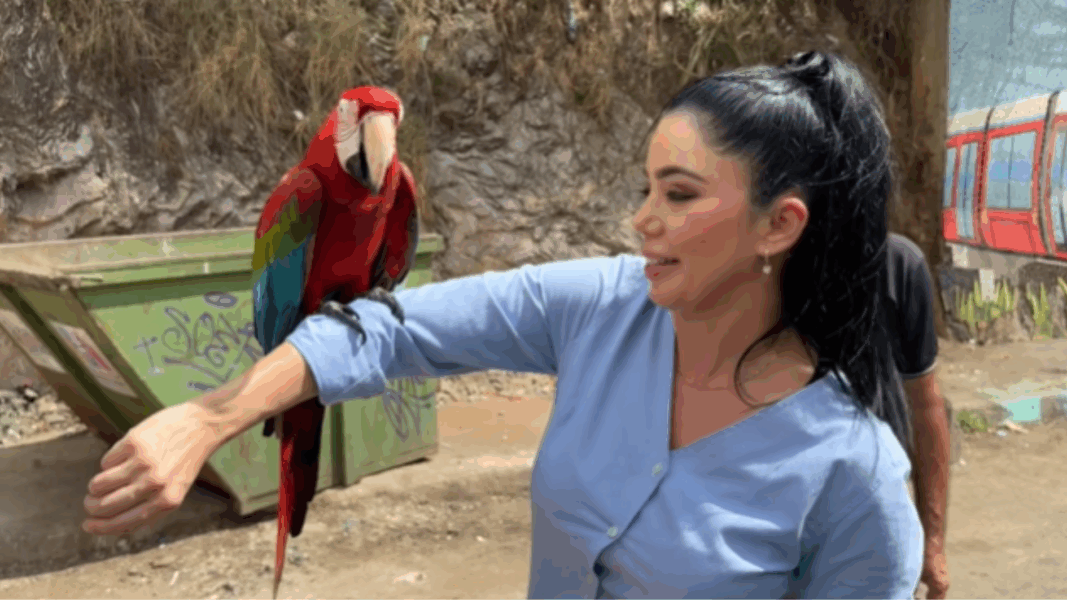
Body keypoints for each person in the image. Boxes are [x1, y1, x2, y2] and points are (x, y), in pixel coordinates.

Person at [81, 50, 923, 598]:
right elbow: (391, 329)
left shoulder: (854, 474)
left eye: (678, 194)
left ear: (779, 226)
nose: (641, 221)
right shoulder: (598, 305)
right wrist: (209, 416)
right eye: (644, 189)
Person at [886, 232, 952, 599]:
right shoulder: (765, 268)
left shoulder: (897, 264)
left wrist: (933, 543)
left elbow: (925, 405)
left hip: (875, 535)